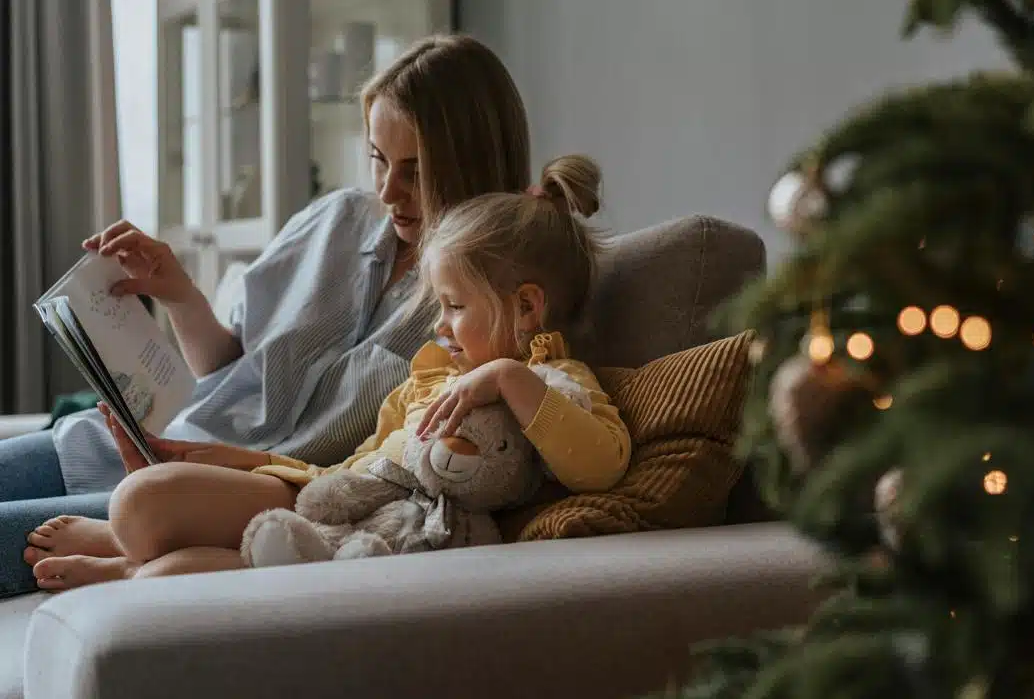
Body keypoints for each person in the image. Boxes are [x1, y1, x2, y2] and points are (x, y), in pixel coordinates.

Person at [2, 34, 533, 598]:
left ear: (473, 166)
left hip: (209, 496)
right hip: (134, 438)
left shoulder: (483, 302)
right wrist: (179, 293)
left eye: (415, 172)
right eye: (378, 160)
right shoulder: (336, 219)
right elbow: (232, 367)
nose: (387, 192)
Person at [31, 156, 630, 589]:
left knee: (159, 570)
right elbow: (351, 468)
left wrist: (508, 377)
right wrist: (245, 461)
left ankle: (126, 562)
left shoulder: (557, 382)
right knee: (140, 500)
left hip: (379, 536)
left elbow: (602, 464)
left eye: (453, 306)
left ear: (526, 307)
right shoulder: (428, 379)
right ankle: (128, 540)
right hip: (330, 503)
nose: (441, 326)